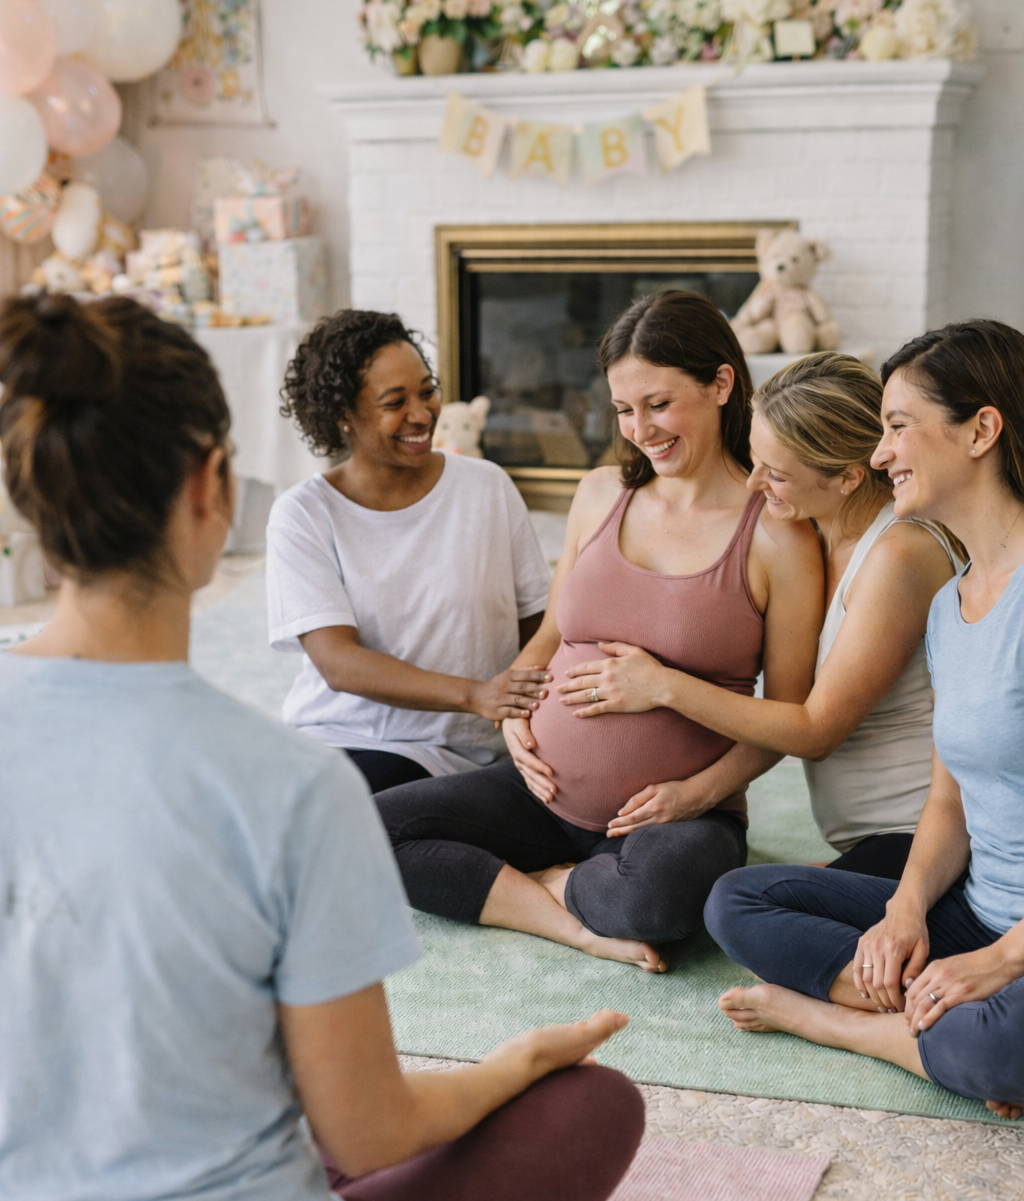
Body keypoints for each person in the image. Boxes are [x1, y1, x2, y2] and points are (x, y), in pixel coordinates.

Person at [0, 294, 644, 1201]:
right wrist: (511, 1063)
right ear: (211, 490)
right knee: (589, 1106)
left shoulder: (473, 507)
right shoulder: (288, 789)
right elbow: (371, 1134)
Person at [376, 291, 823, 972]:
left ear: (722, 384)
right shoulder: (600, 492)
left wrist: (691, 778)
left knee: (656, 906)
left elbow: (787, 716)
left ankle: (545, 882)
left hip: (677, 817)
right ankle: (560, 907)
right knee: (370, 828)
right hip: (542, 789)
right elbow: (553, 634)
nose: (640, 429)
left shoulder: (777, 533)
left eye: (659, 403)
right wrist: (514, 717)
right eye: (623, 409)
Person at [704, 319, 1024, 1121]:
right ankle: (939, 1028)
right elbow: (948, 804)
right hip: (974, 906)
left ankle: (841, 1024)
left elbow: (816, 722)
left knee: (995, 1045)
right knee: (735, 902)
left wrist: (1000, 960)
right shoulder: (952, 604)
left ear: (983, 429)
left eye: (896, 428)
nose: (879, 456)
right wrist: (905, 910)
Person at [558, 352, 961, 881]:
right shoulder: (814, 534)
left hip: (918, 834)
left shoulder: (898, 556)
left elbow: (816, 730)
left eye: (775, 474)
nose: (753, 485)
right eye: (755, 462)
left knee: (741, 908)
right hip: (862, 836)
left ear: (846, 477)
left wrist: (661, 686)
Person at [266, 310, 552, 794]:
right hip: (336, 736)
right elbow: (338, 662)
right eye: (394, 402)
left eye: (426, 390)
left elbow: (542, 624)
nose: (421, 414)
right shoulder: (303, 514)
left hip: (454, 751)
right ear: (343, 415)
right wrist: (475, 695)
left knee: (356, 819)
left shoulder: (487, 488)